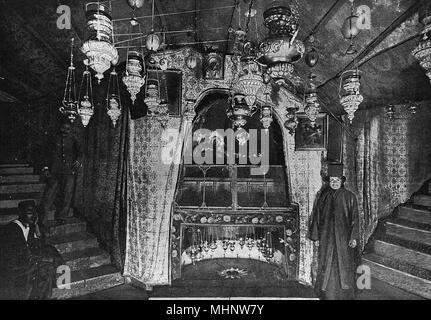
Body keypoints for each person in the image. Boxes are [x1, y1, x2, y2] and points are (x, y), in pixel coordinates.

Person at [308, 164, 360, 300]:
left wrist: (353, 237)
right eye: (332, 180)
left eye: (337, 180)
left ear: (342, 181)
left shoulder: (350, 197)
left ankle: (345, 294)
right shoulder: (323, 197)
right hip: (326, 238)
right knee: (327, 263)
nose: (335, 183)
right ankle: (326, 293)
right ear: (329, 181)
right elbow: (317, 217)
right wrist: (316, 237)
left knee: (344, 264)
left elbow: (355, 219)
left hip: (343, 239)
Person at [0, 200, 63, 299]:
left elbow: (37, 245)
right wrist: (38, 259)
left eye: (34, 212)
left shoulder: (29, 226)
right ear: (20, 213)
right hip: (15, 268)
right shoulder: (12, 229)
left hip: (26, 262)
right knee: (47, 267)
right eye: (29, 213)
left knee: (51, 262)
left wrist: (36, 227)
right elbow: (14, 257)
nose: (33, 215)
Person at [41, 121, 82, 225]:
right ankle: (43, 218)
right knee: (49, 195)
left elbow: (81, 152)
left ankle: (62, 216)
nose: (65, 131)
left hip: (68, 171)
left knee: (67, 194)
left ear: (70, 129)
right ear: (60, 128)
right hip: (54, 171)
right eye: (63, 128)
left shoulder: (74, 138)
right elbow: (46, 153)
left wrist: (79, 160)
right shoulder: (53, 138)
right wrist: (45, 168)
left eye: (67, 129)